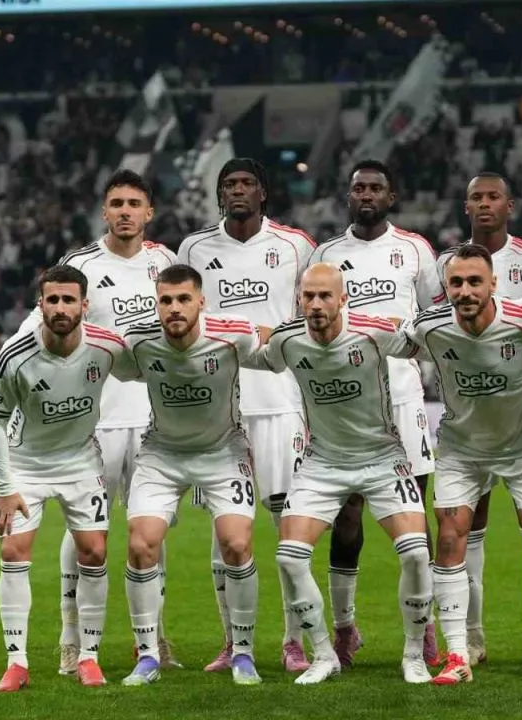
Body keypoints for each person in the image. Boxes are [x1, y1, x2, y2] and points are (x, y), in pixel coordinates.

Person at [18, 169, 180, 674]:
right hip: (96, 418)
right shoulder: (79, 264)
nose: (125, 212)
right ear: (104, 211)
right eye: (116, 203)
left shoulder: (167, 262)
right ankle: (71, 639)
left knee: (150, 530)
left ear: (149, 211)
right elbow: (39, 325)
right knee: (83, 527)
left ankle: (152, 638)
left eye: (134, 203)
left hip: (154, 418)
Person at [255, 263, 433, 685]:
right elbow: (246, 350)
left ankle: (414, 654)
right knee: (289, 557)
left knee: (415, 553)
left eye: (324, 296)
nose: (316, 304)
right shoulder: (287, 340)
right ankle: (323, 654)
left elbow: (428, 342)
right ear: (299, 299)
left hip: (383, 457)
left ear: (343, 299)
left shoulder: (374, 331)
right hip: (323, 462)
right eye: (308, 296)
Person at [406, 243, 522, 686]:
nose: (465, 291)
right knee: (449, 538)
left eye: (474, 281)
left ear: (494, 283)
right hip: (461, 450)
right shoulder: (429, 326)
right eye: (456, 283)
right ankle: (457, 654)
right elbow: (383, 339)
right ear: (446, 287)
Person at [177, 158, 317, 673]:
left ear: (263, 193)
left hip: (281, 403)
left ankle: (293, 641)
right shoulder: (193, 249)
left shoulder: (296, 246)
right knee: (226, 533)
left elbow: (315, 315)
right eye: (229, 184)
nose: (238, 190)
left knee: (288, 527)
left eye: (247, 183)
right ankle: (232, 642)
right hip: (218, 410)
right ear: (220, 195)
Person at [306, 160, 444, 667]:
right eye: (358, 188)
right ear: (348, 196)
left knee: (415, 516)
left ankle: (424, 628)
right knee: (347, 515)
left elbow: (433, 319)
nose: (366, 195)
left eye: (375, 188)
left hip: (403, 398)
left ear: (391, 196)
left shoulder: (416, 250)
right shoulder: (326, 255)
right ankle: (345, 628)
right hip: (343, 403)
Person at [0, 265, 137, 692]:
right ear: (41, 304)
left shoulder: (107, 346)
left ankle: (88, 657)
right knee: (13, 551)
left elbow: (147, 369)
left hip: (81, 462)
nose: (61, 308)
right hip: (26, 464)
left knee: (94, 552)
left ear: (85, 305)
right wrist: (5, 488)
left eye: (69, 300)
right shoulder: (15, 354)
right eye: (52, 299)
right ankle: (16, 663)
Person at [116, 265, 263, 687]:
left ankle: (243, 652)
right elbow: (105, 359)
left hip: (223, 452)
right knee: (141, 544)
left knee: (236, 544)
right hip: (162, 454)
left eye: (183, 299)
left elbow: (274, 345)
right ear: (156, 304)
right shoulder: (138, 341)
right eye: (166, 300)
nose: (175, 308)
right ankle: (148, 655)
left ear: (201, 301)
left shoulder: (233, 334)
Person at [436, 172, 522, 666]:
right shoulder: (443, 263)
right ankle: (469, 639)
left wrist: (516, 369)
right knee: (464, 528)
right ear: (466, 206)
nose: (485, 204)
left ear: (510, 204)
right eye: (476, 198)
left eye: (493, 196)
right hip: (465, 427)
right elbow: (428, 330)